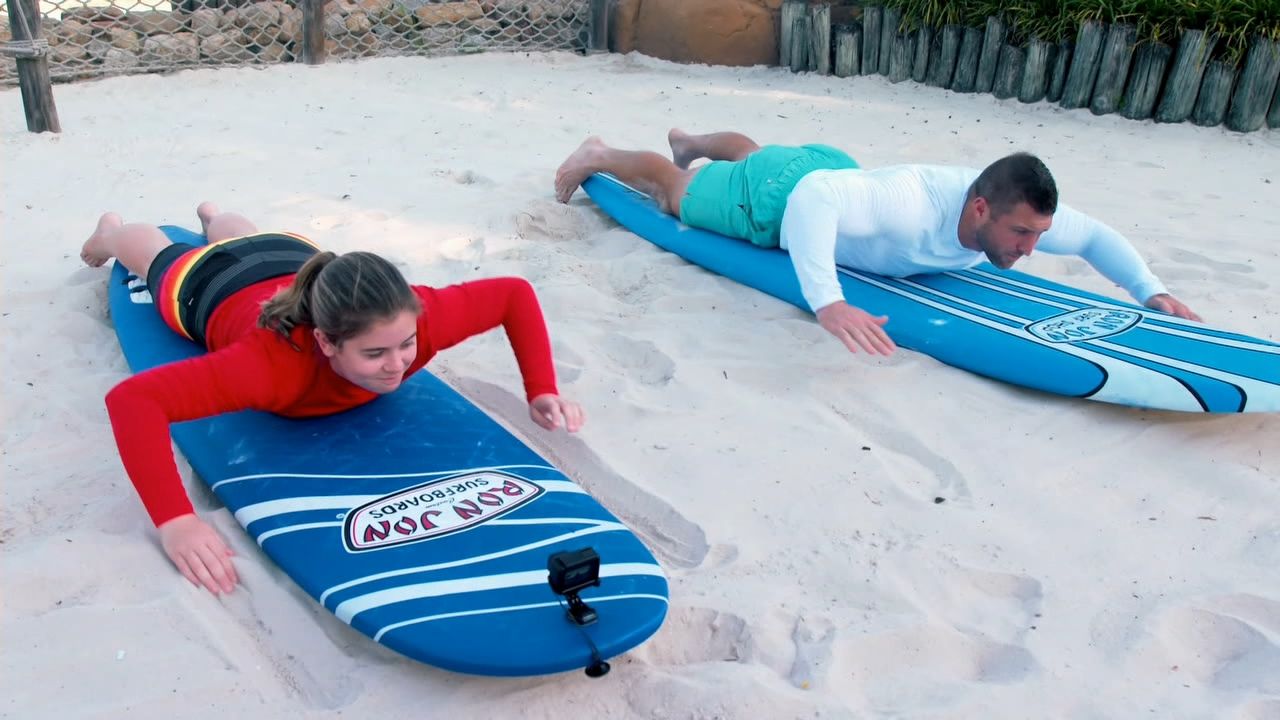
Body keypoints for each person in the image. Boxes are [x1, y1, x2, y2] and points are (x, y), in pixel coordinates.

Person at [83, 202, 585, 595]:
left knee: (245, 234)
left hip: (293, 254)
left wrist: (541, 388)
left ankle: (215, 217)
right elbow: (133, 402)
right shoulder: (269, 366)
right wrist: (176, 521)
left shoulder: (421, 316)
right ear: (325, 343)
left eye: (405, 344)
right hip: (211, 283)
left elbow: (513, 293)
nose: (398, 364)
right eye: (374, 353)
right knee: (156, 254)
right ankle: (112, 231)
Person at [554, 129, 1200, 356]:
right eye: (1022, 233)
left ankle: (695, 139)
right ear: (981, 208)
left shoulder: (1008, 208)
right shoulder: (913, 203)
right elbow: (811, 202)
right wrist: (827, 300)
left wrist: (1152, 290)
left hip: (833, 169)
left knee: (762, 156)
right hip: (787, 199)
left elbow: (1096, 237)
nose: (1031, 247)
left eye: (1038, 235)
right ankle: (604, 152)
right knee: (677, 194)